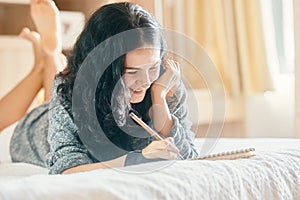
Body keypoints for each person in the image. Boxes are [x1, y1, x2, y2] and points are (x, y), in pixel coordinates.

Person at [1, 0, 199, 174]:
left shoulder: (164, 82)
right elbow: (66, 166)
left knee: (58, 85)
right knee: (55, 88)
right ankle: (47, 58)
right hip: (38, 129)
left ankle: (48, 56)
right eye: (132, 71)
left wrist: (159, 98)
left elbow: (188, 155)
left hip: (68, 103)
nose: (146, 81)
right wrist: (137, 159)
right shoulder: (72, 92)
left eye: (152, 67)